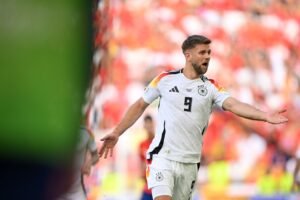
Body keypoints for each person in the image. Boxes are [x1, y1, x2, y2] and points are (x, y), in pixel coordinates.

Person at [99, 35, 288, 200]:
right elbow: (140, 105)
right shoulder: (165, 79)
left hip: (190, 163)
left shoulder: (211, 88)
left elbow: (234, 105)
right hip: (163, 157)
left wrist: (264, 116)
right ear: (188, 56)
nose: (207, 57)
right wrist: (117, 132)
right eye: (202, 53)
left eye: (209, 53)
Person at [58, 126, 99, 200]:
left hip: (76, 192)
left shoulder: (86, 133)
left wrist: (89, 162)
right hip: (56, 192)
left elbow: (96, 156)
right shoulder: (52, 133)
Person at [139, 114, 155, 200]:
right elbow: (142, 162)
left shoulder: (158, 142)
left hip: (159, 183)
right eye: (146, 124)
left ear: (153, 124)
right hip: (147, 185)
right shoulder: (142, 145)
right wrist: (142, 175)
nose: (148, 126)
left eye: (150, 123)